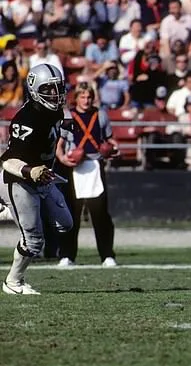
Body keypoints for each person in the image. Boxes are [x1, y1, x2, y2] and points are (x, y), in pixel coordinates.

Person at [0, 64, 73, 295]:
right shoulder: (27, 119)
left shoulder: (53, 109)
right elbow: (7, 161)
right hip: (19, 179)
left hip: (44, 177)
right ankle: (13, 282)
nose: (55, 94)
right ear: (33, 90)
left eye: (57, 88)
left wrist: (68, 125)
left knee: (65, 224)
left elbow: (60, 118)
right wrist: (30, 170)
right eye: (48, 89)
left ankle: (9, 211)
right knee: (33, 241)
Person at [56, 83, 119, 267]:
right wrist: (63, 159)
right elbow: (59, 145)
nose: (86, 100)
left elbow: (109, 140)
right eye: (82, 96)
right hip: (74, 166)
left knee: (100, 215)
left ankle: (107, 255)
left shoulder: (101, 115)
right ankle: (67, 255)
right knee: (70, 215)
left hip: (94, 166)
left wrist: (115, 149)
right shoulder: (68, 116)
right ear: (76, 98)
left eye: (89, 96)